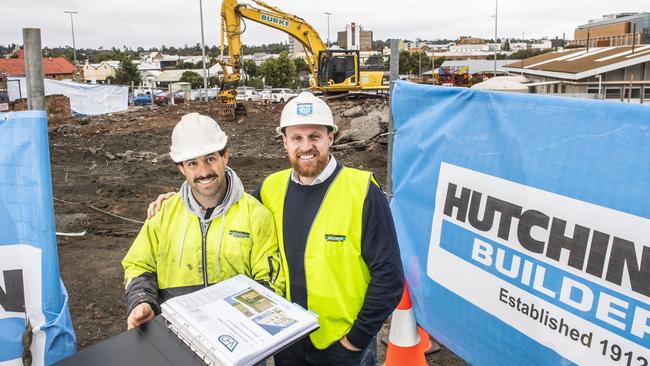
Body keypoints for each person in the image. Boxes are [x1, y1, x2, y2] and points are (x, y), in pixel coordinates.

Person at [148, 93, 404, 366]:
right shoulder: (271, 188)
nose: (306, 146)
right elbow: (230, 208)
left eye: (314, 136)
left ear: (331, 137)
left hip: (342, 344)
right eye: (296, 138)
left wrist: (356, 339)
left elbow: (389, 277)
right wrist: (181, 199)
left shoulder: (362, 191)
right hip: (287, 339)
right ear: (284, 142)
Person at [123, 112, 284, 330]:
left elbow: (270, 281)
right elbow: (138, 264)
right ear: (181, 168)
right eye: (192, 163)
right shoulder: (163, 214)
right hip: (176, 333)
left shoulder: (256, 215)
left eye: (210, 159)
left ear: (225, 157)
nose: (204, 171)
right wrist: (142, 301)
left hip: (238, 334)